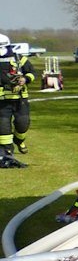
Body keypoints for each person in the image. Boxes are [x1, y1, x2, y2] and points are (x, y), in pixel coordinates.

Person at [0, 37, 29, 168]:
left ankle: (19, 140)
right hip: (2, 102)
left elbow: (32, 72)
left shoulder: (19, 58)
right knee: (3, 128)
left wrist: (25, 79)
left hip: (20, 99)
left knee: (23, 124)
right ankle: (7, 153)